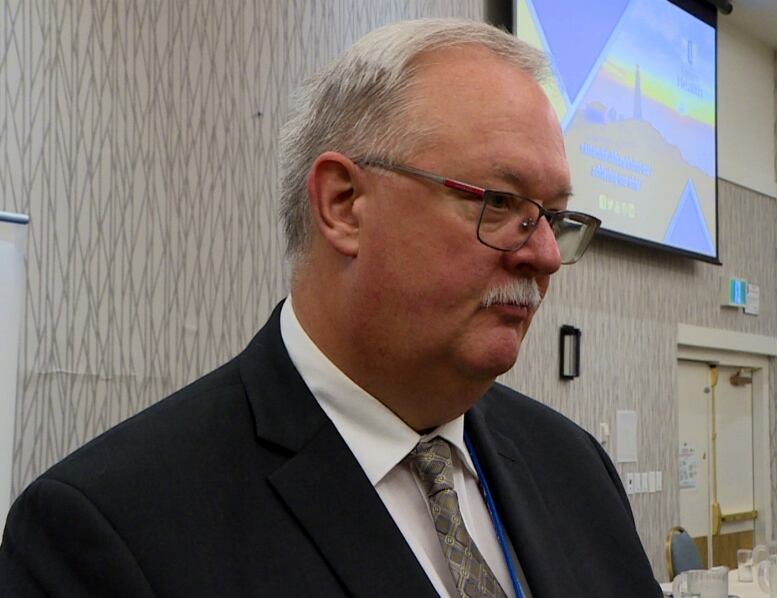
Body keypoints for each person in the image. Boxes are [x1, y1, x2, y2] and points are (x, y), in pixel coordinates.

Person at [0, 18, 661, 598]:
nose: (545, 256)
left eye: (554, 217)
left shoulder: (574, 466)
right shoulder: (112, 527)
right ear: (343, 204)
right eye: (499, 203)